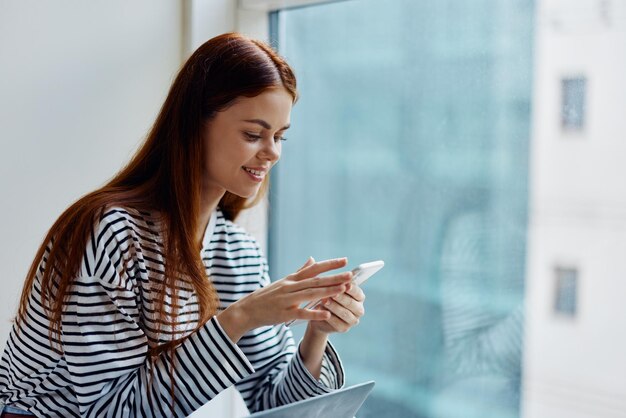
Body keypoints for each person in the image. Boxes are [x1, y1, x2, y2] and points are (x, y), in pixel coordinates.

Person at [0, 32, 366, 418]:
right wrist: (241, 317)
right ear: (195, 124)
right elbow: (108, 411)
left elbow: (272, 404)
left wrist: (317, 332)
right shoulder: (110, 232)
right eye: (253, 134)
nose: (273, 152)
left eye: (279, 136)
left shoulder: (235, 251)